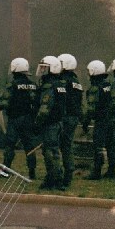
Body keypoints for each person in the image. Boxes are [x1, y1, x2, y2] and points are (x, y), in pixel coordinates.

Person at [0, 57, 39, 179]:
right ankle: (32, 172)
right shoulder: (33, 85)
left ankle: (5, 170)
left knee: (10, 145)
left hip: (15, 119)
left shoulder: (12, 85)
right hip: (29, 119)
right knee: (29, 146)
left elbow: (4, 103)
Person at [34, 55, 67, 190]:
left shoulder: (50, 86)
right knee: (53, 151)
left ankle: (54, 180)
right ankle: (54, 178)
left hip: (50, 124)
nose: (42, 71)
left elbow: (45, 108)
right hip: (58, 123)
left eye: (44, 68)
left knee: (50, 152)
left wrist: (37, 123)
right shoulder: (61, 85)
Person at [82, 60, 115, 179]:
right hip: (112, 120)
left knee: (98, 146)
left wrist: (85, 122)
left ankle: (96, 172)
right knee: (111, 145)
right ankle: (111, 171)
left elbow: (91, 109)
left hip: (101, 121)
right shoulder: (109, 85)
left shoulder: (95, 88)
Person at [58, 54, 84, 187]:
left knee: (61, 146)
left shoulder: (63, 81)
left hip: (65, 117)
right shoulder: (76, 81)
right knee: (67, 145)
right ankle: (68, 171)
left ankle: (64, 173)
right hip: (74, 117)